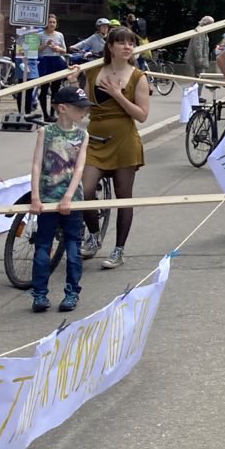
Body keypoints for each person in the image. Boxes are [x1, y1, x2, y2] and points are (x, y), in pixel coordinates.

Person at [81, 26, 150, 269]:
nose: (127, 47)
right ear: (109, 46)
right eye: (121, 42)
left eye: (131, 43)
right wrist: (71, 86)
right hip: (94, 140)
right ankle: (93, 235)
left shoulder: (137, 77)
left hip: (124, 141)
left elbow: (142, 116)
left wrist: (118, 95)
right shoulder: (92, 73)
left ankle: (119, 250)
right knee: (85, 191)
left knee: (123, 198)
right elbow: (85, 108)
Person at [27, 84, 90, 313]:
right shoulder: (46, 132)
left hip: (72, 199)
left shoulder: (83, 135)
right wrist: (35, 196)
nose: (84, 113)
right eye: (79, 108)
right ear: (62, 108)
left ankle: (72, 293)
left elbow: (79, 168)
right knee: (43, 246)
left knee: (73, 247)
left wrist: (69, 197)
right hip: (46, 198)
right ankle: (40, 294)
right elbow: (36, 164)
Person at [36, 13, 70, 119]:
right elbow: (36, 50)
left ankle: (52, 113)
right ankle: (45, 114)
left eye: (54, 22)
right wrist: (46, 44)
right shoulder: (41, 35)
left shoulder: (59, 35)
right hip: (45, 61)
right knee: (44, 89)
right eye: (50, 22)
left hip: (56, 61)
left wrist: (57, 49)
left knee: (55, 89)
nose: (52, 24)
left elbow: (64, 50)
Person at [185, 15, 217, 81]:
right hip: (197, 61)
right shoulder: (199, 31)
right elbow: (197, 46)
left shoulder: (203, 31)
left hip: (200, 60)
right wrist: (199, 58)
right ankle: (197, 91)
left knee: (200, 80)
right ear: (206, 24)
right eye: (210, 24)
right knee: (199, 80)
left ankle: (198, 91)